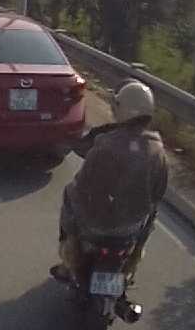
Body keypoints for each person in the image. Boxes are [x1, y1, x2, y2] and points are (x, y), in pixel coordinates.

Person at [51, 80, 169, 286]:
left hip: (95, 226)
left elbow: (83, 184)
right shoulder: (158, 150)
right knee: (152, 214)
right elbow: (158, 193)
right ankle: (133, 261)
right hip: (130, 228)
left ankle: (69, 260)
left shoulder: (105, 143)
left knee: (69, 192)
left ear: (122, 109)